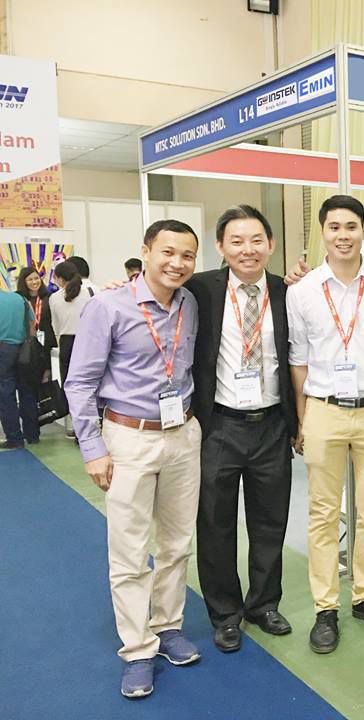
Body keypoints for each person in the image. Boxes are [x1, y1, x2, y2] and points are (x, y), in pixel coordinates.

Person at [64, 219, 202, 700]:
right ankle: (138, 648)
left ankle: (168, 626)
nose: (177, 263)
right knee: (129, 550)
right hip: (128, 437)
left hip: (183, 433)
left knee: (177, 543)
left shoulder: (189, 302)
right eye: (168, 252)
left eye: (187, 255)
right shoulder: (108, 305)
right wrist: (93, 448)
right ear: (145, 251)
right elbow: (79, 382)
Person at [287, 195, 364, 654]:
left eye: (351, 226)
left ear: (363, 232)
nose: (343, 235)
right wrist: (304, 418)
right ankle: (325, 607)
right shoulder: (302, 291)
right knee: (322, 514)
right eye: (334, 227)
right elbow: (299, 360)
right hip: (323, 409)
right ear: (323, 232)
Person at [190, 205, 298, 653]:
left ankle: (264, 604)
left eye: (256, 240)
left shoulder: (288, 292)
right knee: (215, 523)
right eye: (236, 241)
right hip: (219, 425)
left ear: (271, 244)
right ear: (221, 246)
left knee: (270, 522)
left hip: (272, 425)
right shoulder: (200, 289)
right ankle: (225, 614)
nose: (247, 249)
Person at [48, 261, 92, 439]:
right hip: (87, 342)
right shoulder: (89, 293)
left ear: (59, 279)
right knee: (89, 384)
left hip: (66, 342)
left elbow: (55, 326)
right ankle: (91, 427)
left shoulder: (54, 298)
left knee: (70, 385)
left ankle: (75, 427)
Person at [0, 285, 40, 449]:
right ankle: (32, 434)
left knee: (6, 394)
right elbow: (32, 326)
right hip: (24, 349)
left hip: (3, 350)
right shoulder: (20, 299)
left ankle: (15, 437)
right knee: (27, 391)